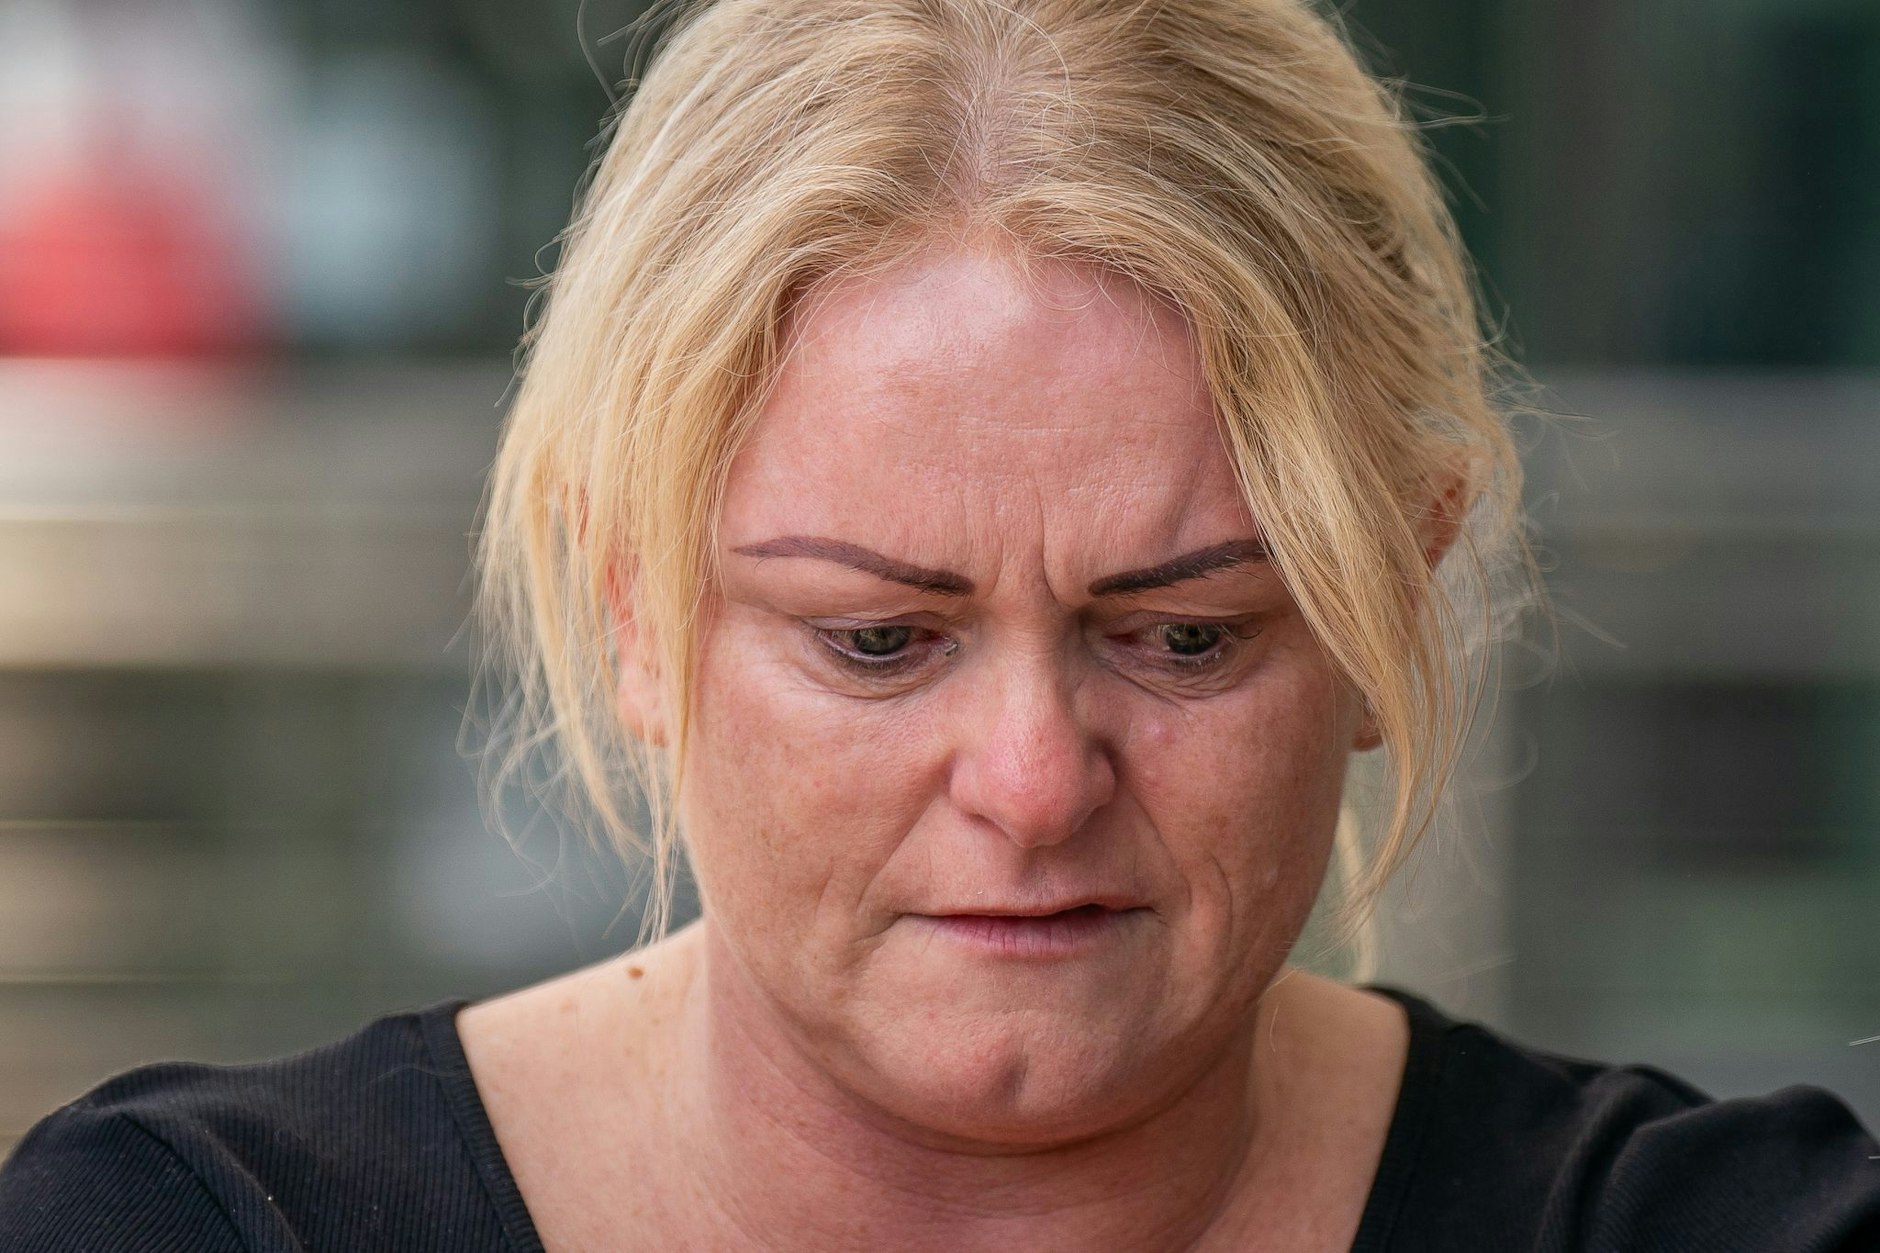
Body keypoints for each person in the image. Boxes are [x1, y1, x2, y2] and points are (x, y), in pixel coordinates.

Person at [3, 0, 1878, 1249]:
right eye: (880, 640)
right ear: (635, 605)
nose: (1035, 783)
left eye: (1185, 636)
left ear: (1390, 583)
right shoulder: (192, 1230)